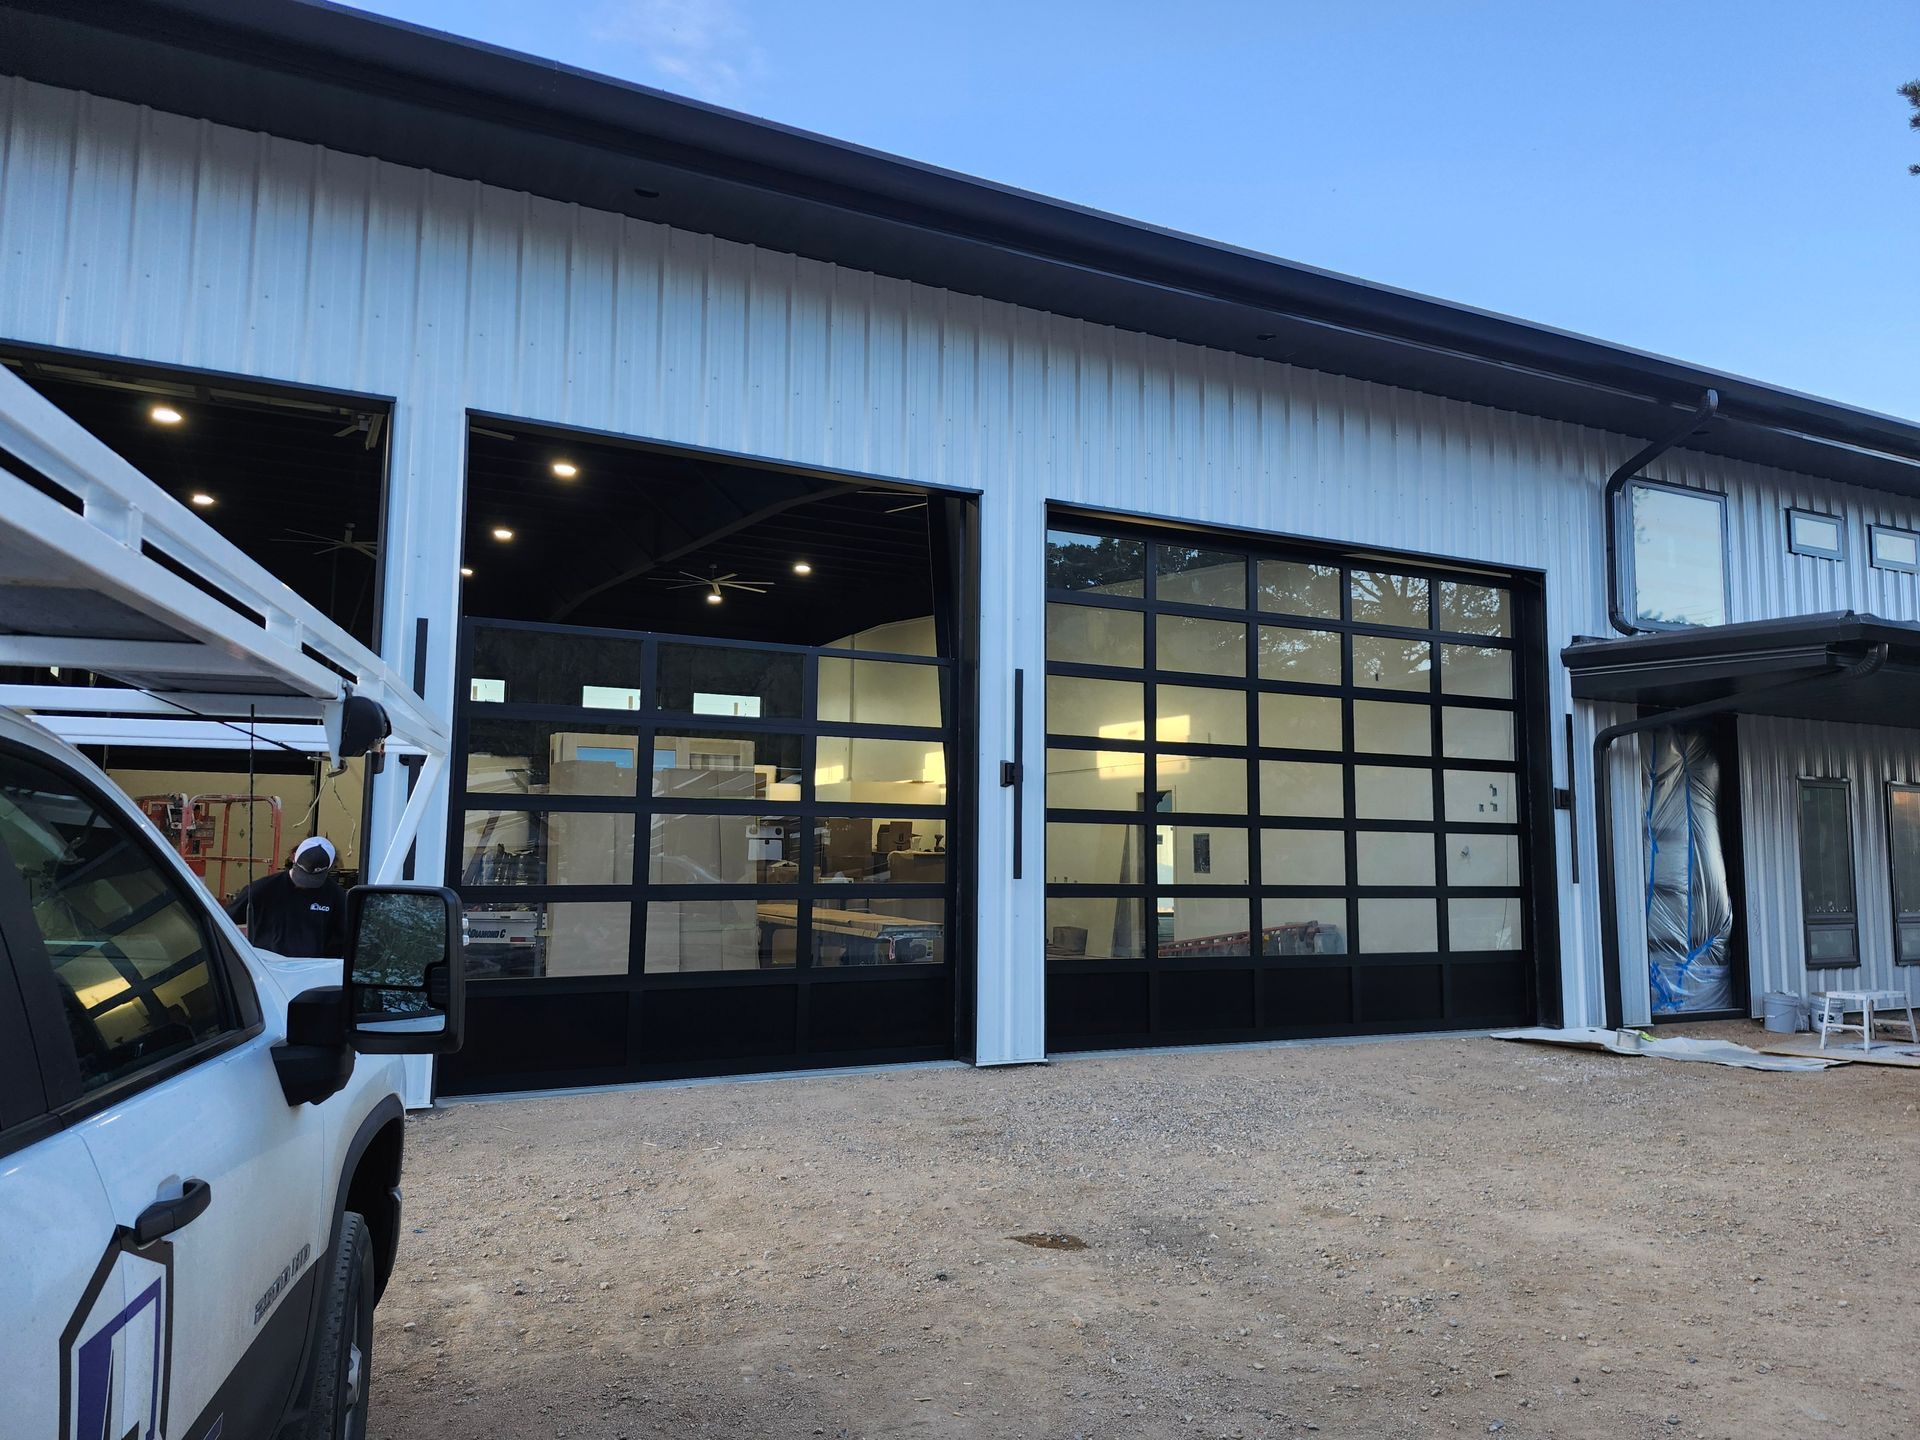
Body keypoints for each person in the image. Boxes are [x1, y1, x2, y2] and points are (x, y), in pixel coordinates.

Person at [226, 835, 348, 958]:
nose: (305, 884)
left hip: (314, 971)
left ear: (330, 868)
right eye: (302, 874)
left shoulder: (337, 897)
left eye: (313, 879)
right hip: (268, 969)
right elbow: (224, 921)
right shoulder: (262, 889)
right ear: (293, 857)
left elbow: (344, 940)